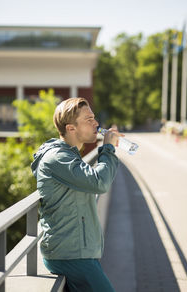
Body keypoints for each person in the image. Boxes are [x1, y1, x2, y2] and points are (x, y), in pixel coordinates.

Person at [31, 97, 121, 292]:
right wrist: (108, 149)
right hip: (69, 254)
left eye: (94, 117)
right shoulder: (59, 158)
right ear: (71, 128)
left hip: (75, 252)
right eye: (89, 119)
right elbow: (99, 182)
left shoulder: (69, 154)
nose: (96, 123)